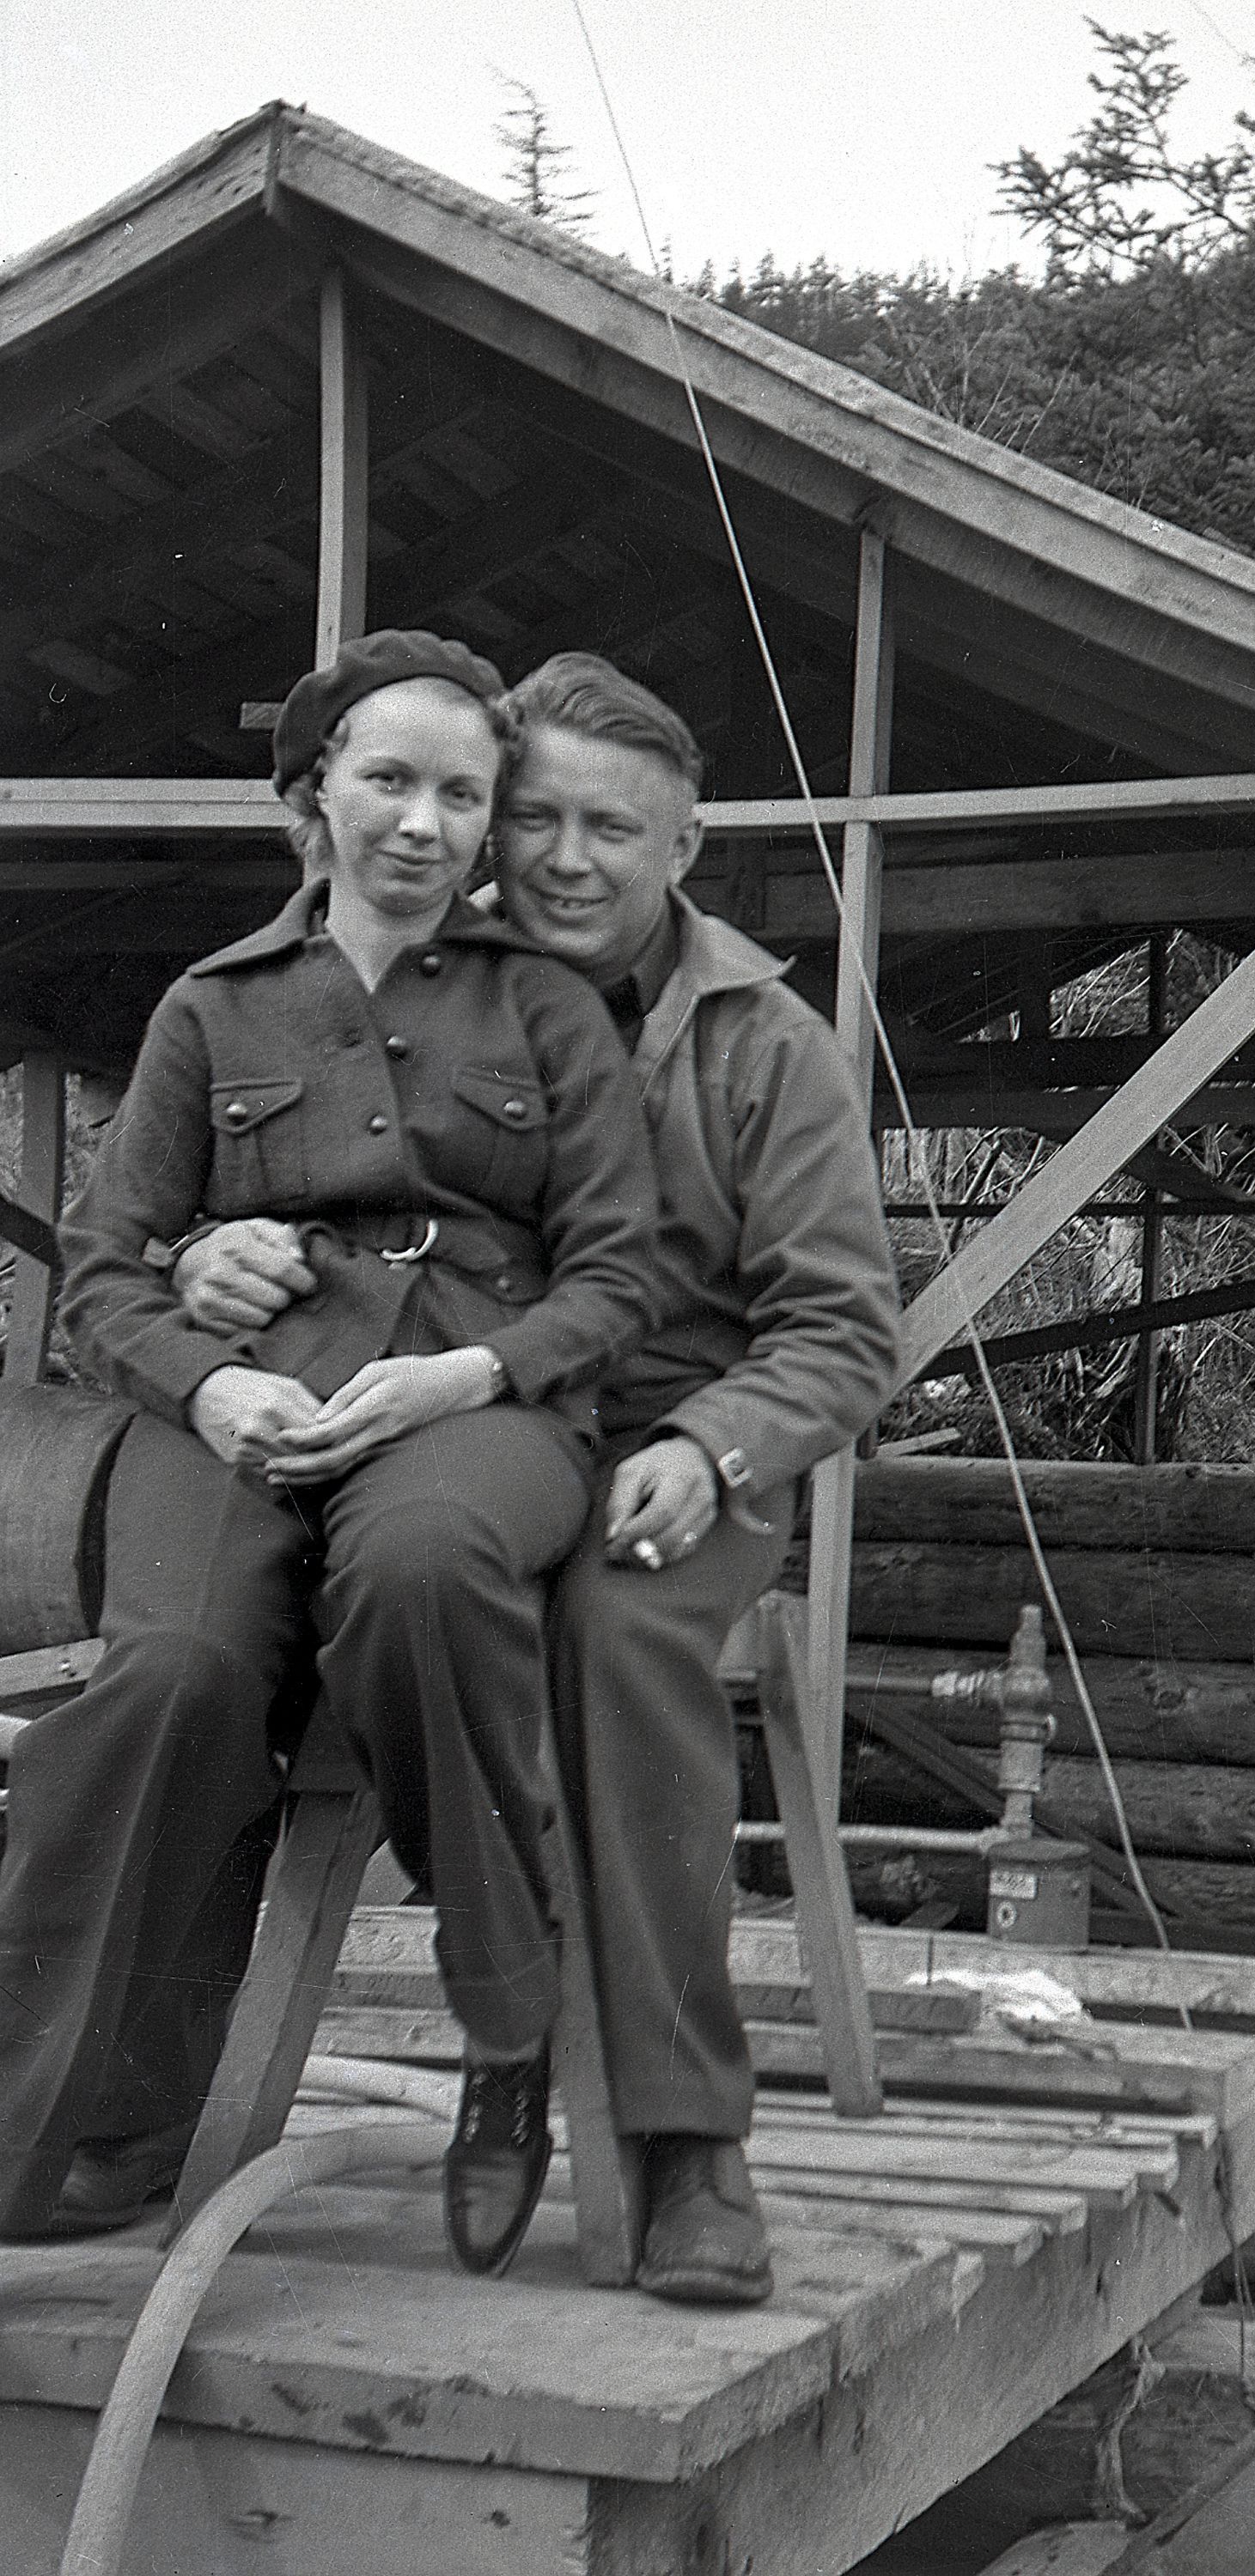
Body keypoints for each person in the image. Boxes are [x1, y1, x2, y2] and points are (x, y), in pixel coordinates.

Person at [174, 653, 904, 2303]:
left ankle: (683, 2136)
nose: (568, 859)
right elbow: (254, 1155)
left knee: (616, 1641)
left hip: (662, 1448)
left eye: (614, 829)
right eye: (542, 818)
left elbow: (846, 1325)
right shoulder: (406, 974)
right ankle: (167, 2095)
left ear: (685, 847)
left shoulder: (763, 1044)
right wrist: (212, 1251)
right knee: (235, 1624)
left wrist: (713, 1449)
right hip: (435, 1425)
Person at [0, 632, 662, 2279]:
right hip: (238, 1410)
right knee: (174, 1678)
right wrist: (208, 1384)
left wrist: (470, 1374)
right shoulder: (213, 1006)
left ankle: (506, 2027)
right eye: (388, 781)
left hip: (478, 1406)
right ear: (313, 795)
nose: (424, 823)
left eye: (463, 794)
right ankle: (62, 2128)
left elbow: (622, 1278)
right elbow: (100, 1274)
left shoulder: (555, 1007)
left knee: (422, 1572)